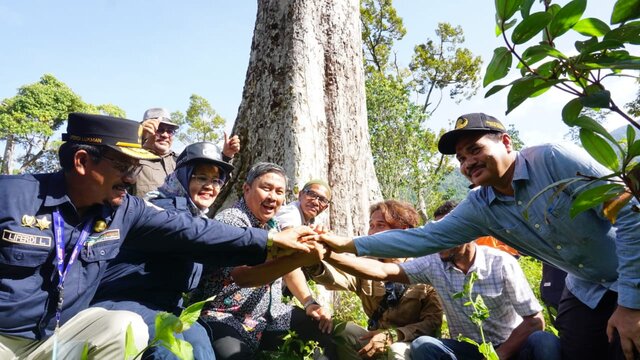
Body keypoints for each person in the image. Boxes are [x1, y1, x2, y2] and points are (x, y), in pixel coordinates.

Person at [316, 113, 640, 360]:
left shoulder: (554, 159)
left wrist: (629, 303)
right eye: (460, 158)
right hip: (585, 286)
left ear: (506, 142)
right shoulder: (480, 205)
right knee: (581, 351)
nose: (468, 162)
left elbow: (630, 214)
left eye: (475, 150)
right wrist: (345, 244)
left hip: (631, 269)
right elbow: (422, 239)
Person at [0, 113, 311, 359]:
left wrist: (270, 242)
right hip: (9, 336)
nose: (131, 177)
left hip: (61, 333)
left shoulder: (126, 211)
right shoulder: (11, 196)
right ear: (81, 161)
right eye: (123, 165)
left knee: (136, 331)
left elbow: (196, 232)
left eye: (136, 168)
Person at [323, 201, 560, 360]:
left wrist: (498, 356)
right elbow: (383, 272)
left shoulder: (501, 263)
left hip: (511, 346)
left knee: (544, 342)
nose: (441, 240)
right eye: (438, 233)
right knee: (424, 346)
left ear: (469, 232)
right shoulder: (432, 263)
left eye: (449, 232)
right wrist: (328, 252)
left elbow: (534, 321)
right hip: (468, 349)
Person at [92, 141, 234, 359]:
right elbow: (199, 240)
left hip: (167, 306)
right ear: (182, 176)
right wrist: (266, 245)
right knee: (168, 350)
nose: (210, 186)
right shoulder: (162, 209)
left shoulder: (197, 216)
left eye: (217, 180)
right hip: (122, 299)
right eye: (201, 177)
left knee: (200, 343)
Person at [194, 162, 337, 360]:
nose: (272, 197)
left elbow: (289, 269)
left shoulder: (273, 224)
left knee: (319, 331)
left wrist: (309, 302)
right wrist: (299, 257)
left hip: (267, 316)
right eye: (266, 188)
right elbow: (244, 276)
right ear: (247, 189)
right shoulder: (232, 221)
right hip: (223, 316)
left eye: (279, 192)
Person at [306, 200, 443, 360]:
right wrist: (313, 260)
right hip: (373, 339)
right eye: (371, 225)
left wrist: (394, 335)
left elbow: (432, 323)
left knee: (396, 351)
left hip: (409, 345)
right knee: (341, 330)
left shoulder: (425, 267)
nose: (372, 233)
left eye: (380, 225)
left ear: (403, 231)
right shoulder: (367, 264)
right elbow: (336, 277)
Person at [133, 107, 241, 196]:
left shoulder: (183, 161)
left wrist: (226, 156)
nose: (165, 135)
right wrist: (140, 138)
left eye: (170, 131)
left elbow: (212, 185)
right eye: (159, 129)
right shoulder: (133, 160)